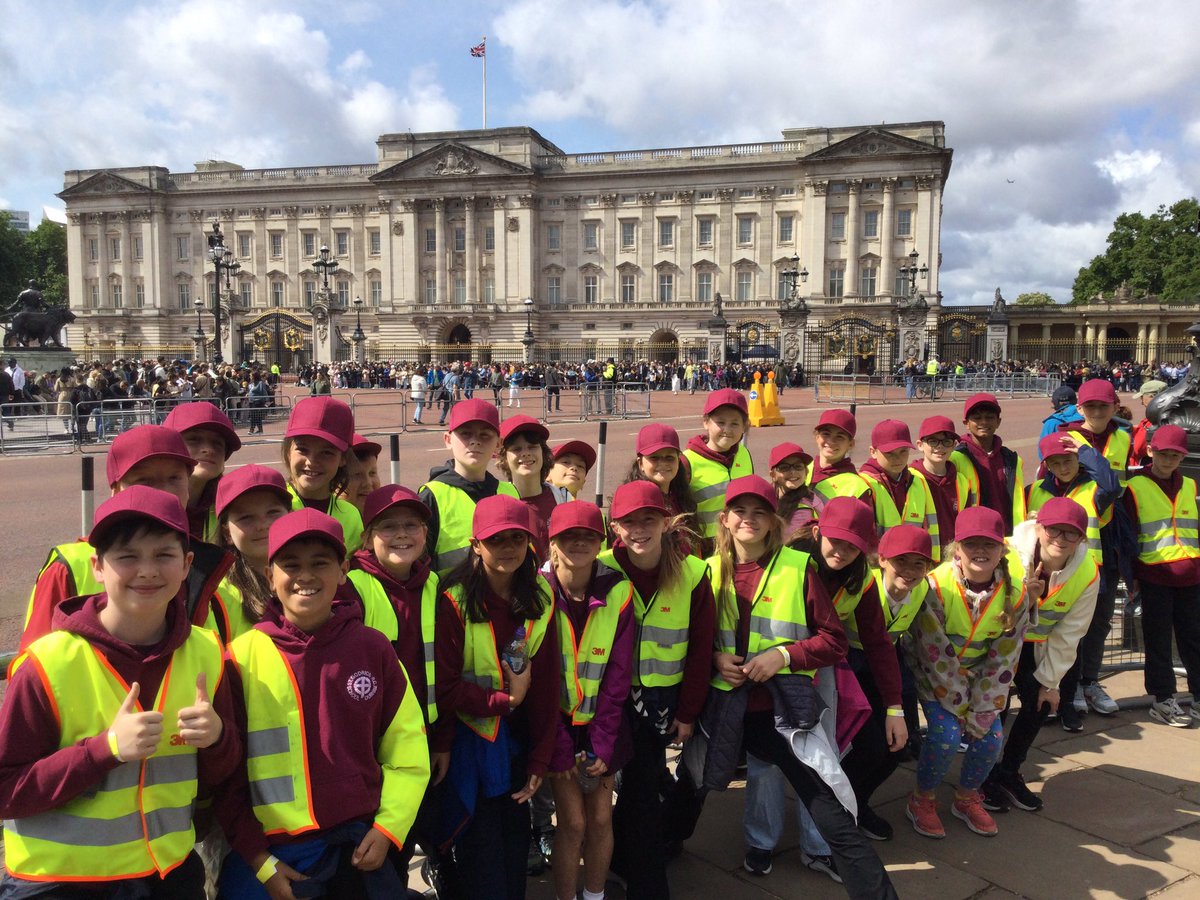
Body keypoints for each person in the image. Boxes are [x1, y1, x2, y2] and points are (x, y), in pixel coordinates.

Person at [0, 487, 239, 898]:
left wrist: (218, 739)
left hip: (167, 875)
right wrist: (104, 750)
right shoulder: (48, 662)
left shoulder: (208, 653)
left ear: (186, 566)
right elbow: (6, 791)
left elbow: (224, 772)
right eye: (127, 556)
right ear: (97, 566)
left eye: (163, 555)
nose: (146, 570)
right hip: (59, 882)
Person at [215, 508, 430, 898]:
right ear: (269, 576)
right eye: (290, 564)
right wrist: (258, 859)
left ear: (343, 569)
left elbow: (409, 752)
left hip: (358, 847)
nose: (305, 576)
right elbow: (225, 776)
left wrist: (388, 829)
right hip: (271, 856)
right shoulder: (241, 658)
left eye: (320, 563)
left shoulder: (372, 648)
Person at [704, 476, 898, 898]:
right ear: (724, 519)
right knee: (692, 788)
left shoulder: (797, 569)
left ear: (776, 522)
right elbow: (688, 640)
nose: (749, 521)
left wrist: (782, 656)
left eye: (760, 513)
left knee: (823, 800)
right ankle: (654, 854)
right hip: (721, 709)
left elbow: (834, 641)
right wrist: (715, 659)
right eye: (740, 511)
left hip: (781, 714)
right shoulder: (704, 571)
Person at [434, 494, 560, 899]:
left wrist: (541, 754)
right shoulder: (453, 598)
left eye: (517, 540)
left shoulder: (540, 595)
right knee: (481, 854)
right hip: (473, 743)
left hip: (517, 743)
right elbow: (447, 685)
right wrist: (503, 702)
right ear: (475, 545)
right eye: (496, 540)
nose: (508, 549)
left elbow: (545, 685)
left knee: (513, 850)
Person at [21, 425, 233, 651]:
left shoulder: (205, 563)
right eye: (144, 481)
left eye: (174, 478)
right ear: (115, 490)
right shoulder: (70, 566)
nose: (162, 492)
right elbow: (32, 666)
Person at [602, 481, 714, 900]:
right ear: (616, 527)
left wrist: (687, 712)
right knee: (619, 793)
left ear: (666, 522)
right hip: (607, 704)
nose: (639, 529)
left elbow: (702, 649)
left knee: (643, 790)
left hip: (661, 705)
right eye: (628, 521)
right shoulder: (600, 568)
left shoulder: (692, 573)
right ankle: (620, 862)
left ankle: (646, 883)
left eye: (648, 519)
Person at [344, 485, 452, 888]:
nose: (402, 534)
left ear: (426, 533)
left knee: (409, 839)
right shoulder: (354, 587)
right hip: (373, 749)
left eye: (412, 524)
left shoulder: (434, 585)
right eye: (389, 526)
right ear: (369, 535)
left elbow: (444, 667)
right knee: (377, 858)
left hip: (424, 742)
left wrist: (442, 739)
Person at [904, 506, 1031, 839]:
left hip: (979, 680)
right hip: (934, 677)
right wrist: (961, 707)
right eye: (971, 543)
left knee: (991, 739)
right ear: (956, 548)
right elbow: (932, 650)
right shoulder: (935, 585)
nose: (980, 551)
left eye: (989, 544)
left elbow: (1005, 658)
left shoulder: (1014, 594)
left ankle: (967, 797)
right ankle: (922, 799)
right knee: (946, 736)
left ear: (1002, 549)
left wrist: (983, 708)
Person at [981, 498, 1100, 811]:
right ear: (1038, 527)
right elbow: (991, 615)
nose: (1060, 539)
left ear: (1082, 539)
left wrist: (1051, 682)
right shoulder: (1005, 555)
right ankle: (982, 776)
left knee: (1040, 702)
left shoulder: (1087, 572)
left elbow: (1071, 632)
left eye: (1070, 534)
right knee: (994, 706)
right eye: (1053, 531)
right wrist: (1026, 601)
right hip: (998, 639)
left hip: (1039, 644)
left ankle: (1009, 772)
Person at [544, 502, 635, 900]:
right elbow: (541, 678)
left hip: (603, 723)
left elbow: (618, 675)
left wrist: (603, 741)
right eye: (568, 537)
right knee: (574, 823)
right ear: (552, 545)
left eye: (588, 536)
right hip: (558, 726)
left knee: (600, 818)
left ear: (600, 542)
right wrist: (561, 745)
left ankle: (594, 895)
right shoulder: (537, 592)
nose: (578, 543)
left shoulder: (617, 590)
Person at [1057, 378, 1131, 722]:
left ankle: (1090, 681)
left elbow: (1117, 486)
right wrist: (1086, 453)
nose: (1098, 412)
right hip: (1076, 533)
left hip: (1110, 535)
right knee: (1071, 622)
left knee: (1100, 620)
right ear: (1080, 409)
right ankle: (1067, 685)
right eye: (1091, 407)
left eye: (1104, 406)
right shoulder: (1066, 436)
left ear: (1114, 407)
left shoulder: (1122, 437)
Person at [1122, 424, 1200, 728]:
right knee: (1157, 639)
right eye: (1163, 454)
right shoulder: (1136, 487)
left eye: (1175, 455)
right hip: (1155, 574)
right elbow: (1129, 537)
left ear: (1183, 456)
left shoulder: (1190, 485)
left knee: (1193, 638)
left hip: (1191, 574)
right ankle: (1163, 696)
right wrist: (1133, 578)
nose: (1169, 460)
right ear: (1151, 451)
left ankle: (1197, 694)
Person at [419, 398, 520, 576]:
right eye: (465, 434)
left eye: (485, 435)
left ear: (498, 444)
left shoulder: (511, 493)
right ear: (448, 440)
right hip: (449, 601)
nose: (475, 442)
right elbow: (418, 567)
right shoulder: (432, 496)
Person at [212, 465, 293, 643]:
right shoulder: (218, 596)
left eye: (273, 513)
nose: (262, 525)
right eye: (246, 518)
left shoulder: (316, 576)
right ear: (226, 533)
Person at [281, 396, 364, 556]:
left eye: (326, 453)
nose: (312, 462)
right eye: (303, 449)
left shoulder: (351, 516)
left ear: (343, 458)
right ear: (287, 451)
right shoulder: (271, 507)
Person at [683, 388, 753, 555]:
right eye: (720, 422)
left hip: (740, 543)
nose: (727, 429)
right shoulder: (688, 461)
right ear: (706, 422)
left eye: (735, 423)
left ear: (744, 426)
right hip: (704, 548)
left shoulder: (743, 454)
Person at [164, 401, 243, 543]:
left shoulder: (233, 505)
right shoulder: (140, 503)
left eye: (217, 443)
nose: (208, 449)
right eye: (194, 439)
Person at [950, 393, 1026, 535]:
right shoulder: (956, 458)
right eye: (977, 418)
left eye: (990, 417)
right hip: (974, 536)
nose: (983, 422)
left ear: (998, 422)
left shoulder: (1012, 460)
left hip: (1007, 537)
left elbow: (1018, 502)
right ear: (966, 423)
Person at [860, 419, 939, 554]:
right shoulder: (864, 484)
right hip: (879, 567)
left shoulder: (918, 481)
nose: (897, 459)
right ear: (873, 451)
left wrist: (932, 562)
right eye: (889, 453)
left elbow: (930, 527)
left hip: (913, 563)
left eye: (903, 451)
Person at [498, 415, 559, 561]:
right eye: (516, 448)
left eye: (532, 446)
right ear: (504, 458)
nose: (525, 453)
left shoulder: (562, 498)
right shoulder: (499, 503)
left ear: (543, 453)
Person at [910, 415, 973, 555]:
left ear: (954, 445)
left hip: (954, 557)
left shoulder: (961, 481)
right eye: (933, 441)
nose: (940, 447)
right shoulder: (911, 479)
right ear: (920, 445)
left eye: (947, 441)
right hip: (921, 557)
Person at [622, 423, 699, 538]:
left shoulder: (682, 497)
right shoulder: (630, 503)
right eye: (654, 457)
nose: (663, 463)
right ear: (640, 463)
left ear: (678, 460)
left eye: (669, 457)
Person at [808, 409, 872, 503]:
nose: (831, 441)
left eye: (840, 437)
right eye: (826, 434)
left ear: (851, 444)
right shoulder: (801, 471)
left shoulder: (856, 486)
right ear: (817, 438)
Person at [768, 441, 824, 547]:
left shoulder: (812, 501)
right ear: (773, 474)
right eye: (785, 467)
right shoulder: (765, 498)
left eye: (798, 467)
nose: (793, 472)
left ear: (806, 472)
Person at [338, 433, 383, 514]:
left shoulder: (385, 519)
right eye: (356, 474)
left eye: (372, 473)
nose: (368, 483)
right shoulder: (324, 522)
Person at [1130, 378, 1166, 465]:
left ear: (1152, 397)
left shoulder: (1156, 420)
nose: (1141, 402)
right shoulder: (1155, 417)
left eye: (1142, 397)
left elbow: (1137, 448)